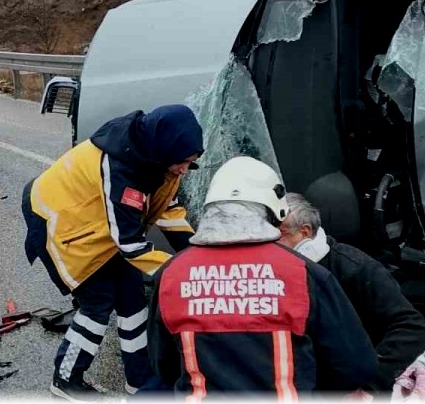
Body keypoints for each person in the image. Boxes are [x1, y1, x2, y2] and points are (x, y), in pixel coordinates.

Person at [148, 156, 377, 398]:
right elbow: (355, 366)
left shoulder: (171, 275)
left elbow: (163, 365)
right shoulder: (303, 273)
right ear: (275, 209)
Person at [22, 105, 204, 400]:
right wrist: (182, 273)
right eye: (183, 162)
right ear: (168, 150)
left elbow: (169, 211)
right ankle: (66, 379)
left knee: (132, 300)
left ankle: (140, 381)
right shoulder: (120, 167)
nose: (185, 169)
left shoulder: (162, 157)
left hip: (102, 226)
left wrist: (200, 253)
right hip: (60, 223)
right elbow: (130, 242)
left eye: (191, 162)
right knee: (98, 303)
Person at [278, 192, 425, 390]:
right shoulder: (272, 272)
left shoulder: (355, 267)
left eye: (278, 235)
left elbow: (411, 326)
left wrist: (370, 385)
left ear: (304, 232)